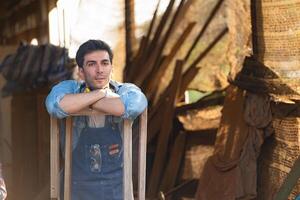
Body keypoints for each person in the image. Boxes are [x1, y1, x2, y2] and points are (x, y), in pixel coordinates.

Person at [45, 39, 147, 200]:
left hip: (117, 191)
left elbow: (133, 106)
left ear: (111, 68)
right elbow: (54, 105)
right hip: (75, 191)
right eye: (92, 64)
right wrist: (100, 94)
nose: (100, 70)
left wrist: (83, 101)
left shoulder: (126, 90)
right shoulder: (69, 87)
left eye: (105, 63)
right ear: (81, 71)